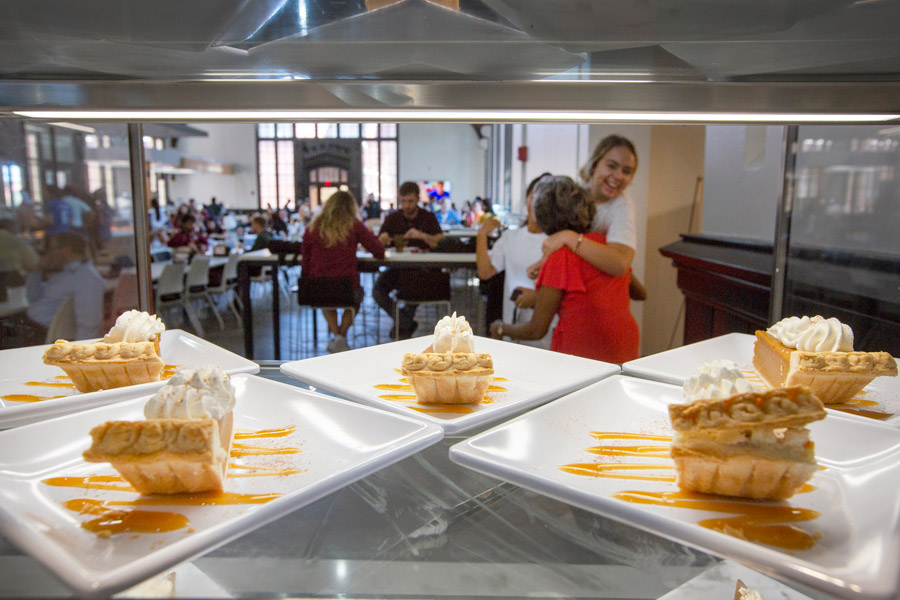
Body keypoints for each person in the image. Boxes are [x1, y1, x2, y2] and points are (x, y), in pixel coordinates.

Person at [489, 176, 639, 363]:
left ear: (543, 218)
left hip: (583, 352)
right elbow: (640, 292)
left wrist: (501, 328)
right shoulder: (603, 248)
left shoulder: (560, 258)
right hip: (624, 346)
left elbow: (536, 330)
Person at [528, 134, 638, 281]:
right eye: (611, 166)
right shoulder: (577, 191)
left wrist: (569, 237)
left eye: (627, 171)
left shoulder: (623, 207)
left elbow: (620, 265)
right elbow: (561, 243)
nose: (618, 176)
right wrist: (544, 261)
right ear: (594, 164)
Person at [301, 191, 385, 353]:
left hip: (319, 288)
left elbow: (305, 259)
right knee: (355, 299)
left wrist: (308, 276)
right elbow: (379, 252)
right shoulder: (354, 225)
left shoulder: (313, 226)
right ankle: (341, 336)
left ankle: (337, 337)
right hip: (347, 287)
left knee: (326, 300)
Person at [476, 173, 553, 349]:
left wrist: (537, 298)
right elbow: (485, 272)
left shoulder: (558, 240)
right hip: (513, 327)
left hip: (548, 334)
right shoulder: (511, 237)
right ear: (528, 199)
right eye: (536, 196)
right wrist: (481, 235)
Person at [373, 181, 444, 338]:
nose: (406, 205)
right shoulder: (393, 218)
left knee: (412, 288)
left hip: (423, 271)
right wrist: (382, 239)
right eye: (403, 201)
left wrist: (422, 235)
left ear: (418, 199)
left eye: (410, 201)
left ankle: (403, 325)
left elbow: (440, 242)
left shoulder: (428, 217)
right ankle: (405, 322)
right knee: (378, 291)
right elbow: (379, 240)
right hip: (398, 268)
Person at [24, 231, 105, 343]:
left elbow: (89, 324)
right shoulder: (66, 273)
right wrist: (37, 270)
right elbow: (32, 298)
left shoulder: (86, 277)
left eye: (53, 248)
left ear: (66, 250)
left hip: (39, 333)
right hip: (31, 327)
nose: (50, 253)